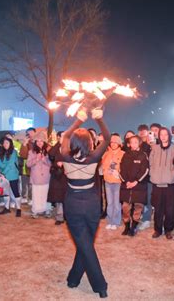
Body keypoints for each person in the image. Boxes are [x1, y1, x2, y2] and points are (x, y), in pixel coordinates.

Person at [60, 108, 110, 298]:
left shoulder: (65, 156)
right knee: (86, 243)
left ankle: (85, 282)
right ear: (90, 142)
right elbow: (106, 138)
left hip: (73, 205)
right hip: (91, 206)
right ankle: (85, 281)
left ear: (73, 142)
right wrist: (99, 118)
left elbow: (64, 135)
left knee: (84, 244)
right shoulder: (94, 158)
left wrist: (78, 120)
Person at [149, 127, 174, 239]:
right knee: (158, 208)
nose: (163, 137)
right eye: (161, 134)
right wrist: (153, 174)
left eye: (166, 134)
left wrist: (173, 175)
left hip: (170, 184)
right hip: (157, 183)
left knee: (170, 209)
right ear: (159, 136)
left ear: (169, 136)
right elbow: (150, 163)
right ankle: (157, 230)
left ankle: (168, 230)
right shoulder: (155, 148)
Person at [119, 135, 149, 236]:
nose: (134, 144)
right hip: (126, 186)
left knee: (138, 207)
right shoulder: (125, 155)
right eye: (132, 142)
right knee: (125, 207)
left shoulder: (143, 155)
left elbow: (145, 170)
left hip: (139, 186)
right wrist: (126, 181)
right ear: (129, 144)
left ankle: (134, 226)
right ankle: (127, 226)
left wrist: (136, 181)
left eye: (136, 142)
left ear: (139, 143)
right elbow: (121, 169)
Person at [101, 133, 125, 230]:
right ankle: (110, 220)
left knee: (117, 202)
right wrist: (107, 170)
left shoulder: (123, 154)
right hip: (108, 180)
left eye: (115, 142)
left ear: (119, 143)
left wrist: (117, 170)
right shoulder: (106, 154)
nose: (113, 144)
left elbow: (124, 167)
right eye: (112, 142)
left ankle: (116, 221)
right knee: (110, 202)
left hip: (118, 181)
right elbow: (103, 166)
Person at [27, 131, 52, 219]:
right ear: (35, 142)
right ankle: (35, 211)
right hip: (36, 177)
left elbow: (51, 164)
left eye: (41, 141)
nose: (40, 143)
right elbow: (28, 164)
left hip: (46, 177)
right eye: (38, 141)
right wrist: (36, 159)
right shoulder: (31, 152)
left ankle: (47, 210)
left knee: (46, 194)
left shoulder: (49, 151)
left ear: (44, 142)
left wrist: (44, 159)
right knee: (36, 194)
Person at [0, 137, 22, 217]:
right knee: (5, 192)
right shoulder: (1, 152)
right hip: (4, 176)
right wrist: (3, 169)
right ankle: (6, 208)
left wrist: (3, 171)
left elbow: (11, 164)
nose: (5, 144)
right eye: (4, 143)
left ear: (10, 143)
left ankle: (19, 208)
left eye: (7, 143)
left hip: (12, 175)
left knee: (15, 192)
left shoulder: (13, 152)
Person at [47, 131, 67, 225]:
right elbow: (51, 153)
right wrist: (59, 143)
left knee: (67, 196)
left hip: (67, 175)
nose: (63, 138)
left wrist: (64, 164)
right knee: (58, 197)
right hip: (57, 175)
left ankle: (67, 216)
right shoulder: (56, 147)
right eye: (61, 136)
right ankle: (59, 217)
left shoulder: (70, 147)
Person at [137, 124, 153, 231]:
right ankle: (142, 216)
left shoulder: (152, 144)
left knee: (148, 199)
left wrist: (150, 143)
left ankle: (147, 219)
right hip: (139, 177)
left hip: (149, 177)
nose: (142, 133)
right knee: (140, 198)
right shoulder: (138, 145)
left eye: (144, 131)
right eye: (140, 131)